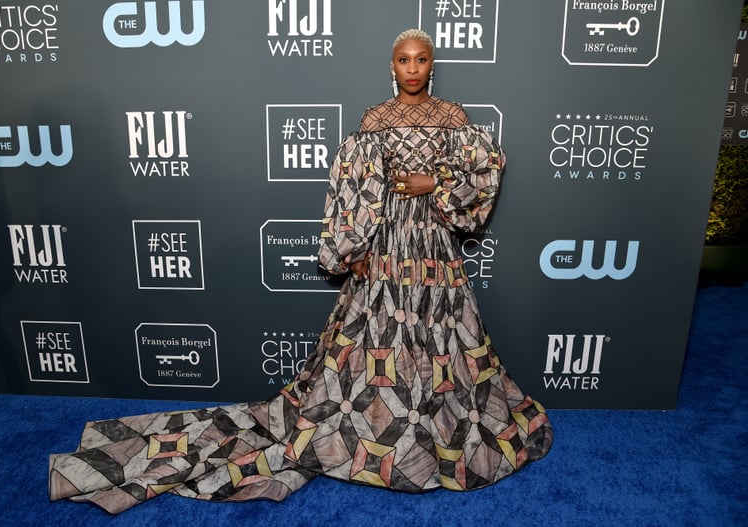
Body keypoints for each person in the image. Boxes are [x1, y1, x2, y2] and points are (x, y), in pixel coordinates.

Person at [48, 29, 552, 514]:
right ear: (392, 66)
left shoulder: (453, 117)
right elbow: (349, 189)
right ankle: (379, 431)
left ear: (432, 65)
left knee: (444, 338)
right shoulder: (375, 120)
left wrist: (434, 184)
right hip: (382, 248)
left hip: (433, 247)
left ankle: (436, 434)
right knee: (372, 343)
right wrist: (348, 248)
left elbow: (486, 168)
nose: (413, 68)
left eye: (422, 59)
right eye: (404, 60)